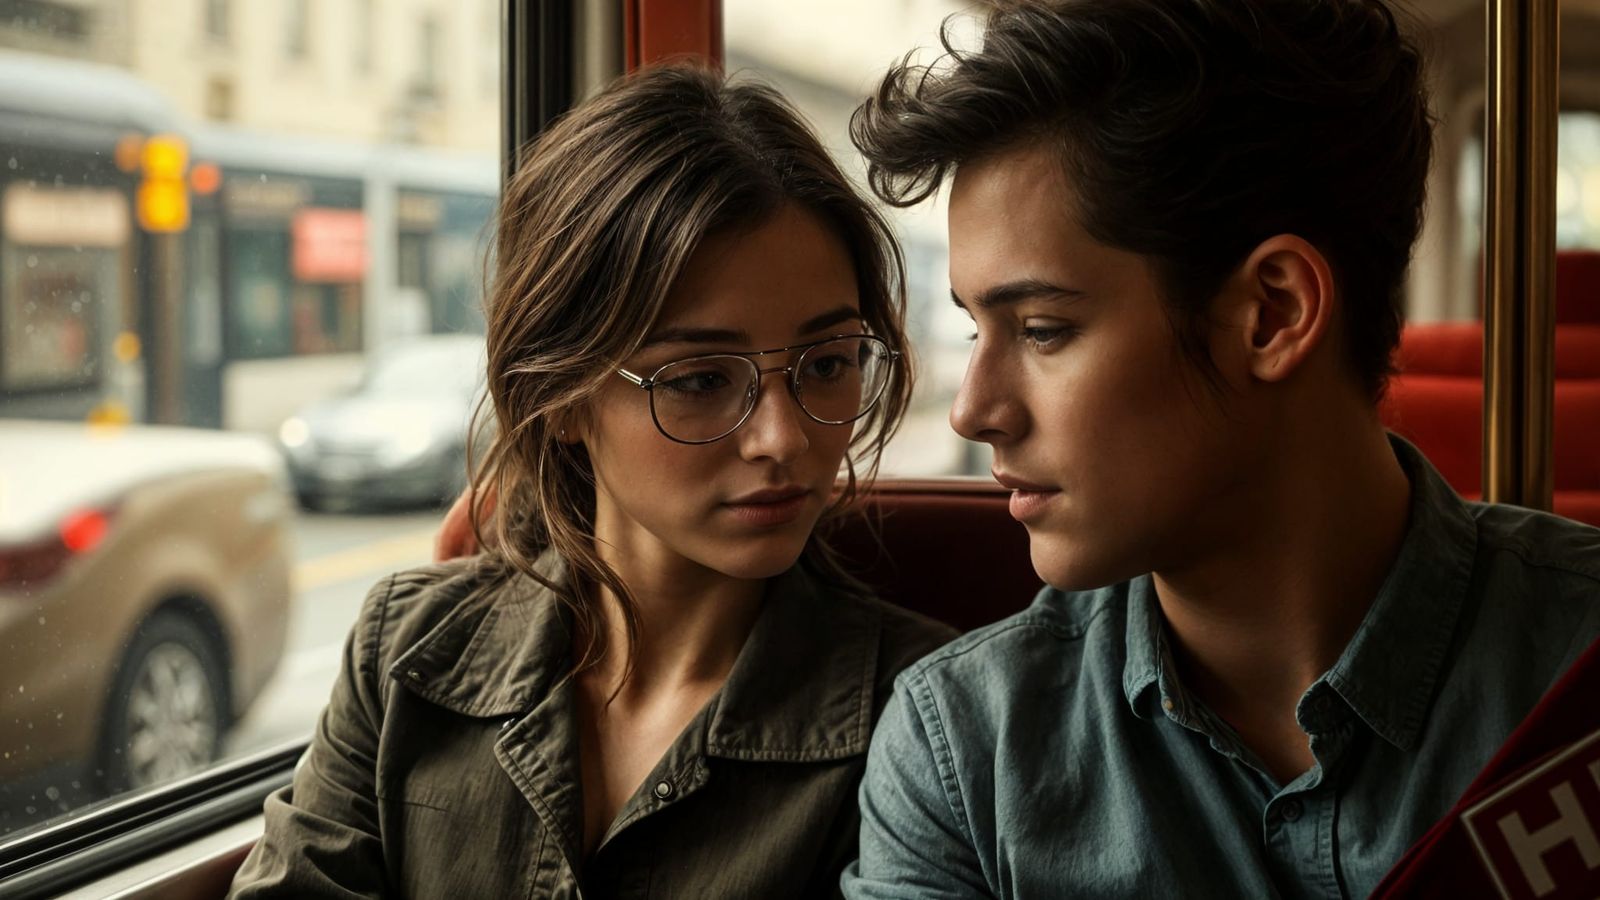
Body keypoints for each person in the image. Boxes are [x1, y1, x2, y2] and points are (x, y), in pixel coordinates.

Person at [837, 1, 1600, 897]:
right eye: (975, 330)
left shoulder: (1578, 665)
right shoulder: (964, 756)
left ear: (1272, 314)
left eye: (1043, 329)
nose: (973, 411)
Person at [227, 64, 954, 899]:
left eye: (827, 364)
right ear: (562, 397)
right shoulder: (406, 655)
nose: (782, 437)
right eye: (699, 380)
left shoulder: (929, 716)